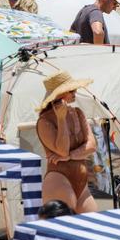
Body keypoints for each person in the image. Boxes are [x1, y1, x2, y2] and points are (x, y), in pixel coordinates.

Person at [37, 71, 98, 214]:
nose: (75, 92)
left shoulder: (78, 112)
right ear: (60, 94)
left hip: (81, 182)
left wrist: (70, 156)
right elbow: (62, 151)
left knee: (92, 224)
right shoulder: (44, 121)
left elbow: (92, 146)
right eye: (71, 90)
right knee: (61, 227)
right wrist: (61, 119)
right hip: (58, 179)